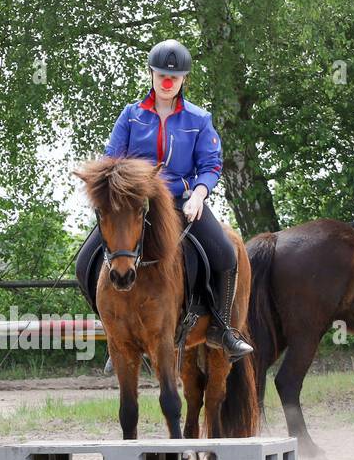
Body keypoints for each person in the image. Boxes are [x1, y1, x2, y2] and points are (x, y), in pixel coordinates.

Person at [76, 39, 253, 360]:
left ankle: (223, 329)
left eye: (174, 77)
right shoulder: (131, 116)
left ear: (184, 79)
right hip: (134, 207)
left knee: (225, 253)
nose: (167, 83)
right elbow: (111, 160)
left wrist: (199, 195)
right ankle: (115, 330)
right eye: (161, 76)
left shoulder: (199, 119)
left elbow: (211, 165)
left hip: (182, 203)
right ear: (152, 75)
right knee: (83, 262)